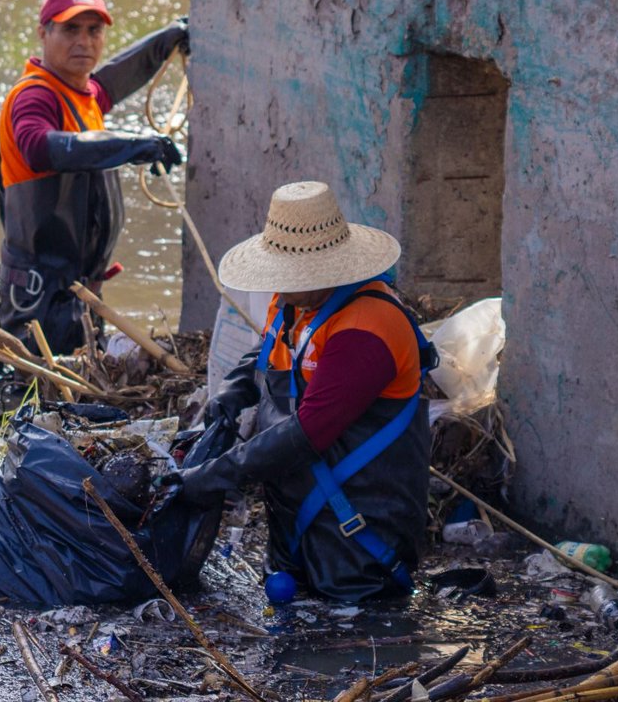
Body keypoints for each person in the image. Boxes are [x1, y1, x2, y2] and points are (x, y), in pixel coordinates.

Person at [158, 182, 437, 601]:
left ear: (332, 268)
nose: (280, 285)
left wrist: (212, 477)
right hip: (296, 531)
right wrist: (233, 391)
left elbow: (308, 432)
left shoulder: (368, 329)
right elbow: (268, 351)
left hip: (358, 539)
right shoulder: (294, 303)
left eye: (291, 276)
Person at [0, 0, 188, 353]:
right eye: (70, 29)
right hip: (41, 299)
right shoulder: (34, 96)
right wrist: (136, 145)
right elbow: (39, 148)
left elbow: (118, 76)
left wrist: (170, 38)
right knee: (36, 397)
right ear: (43, 33)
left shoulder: (82, 94)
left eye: (93, 31)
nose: (83, 41)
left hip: (77, 293)